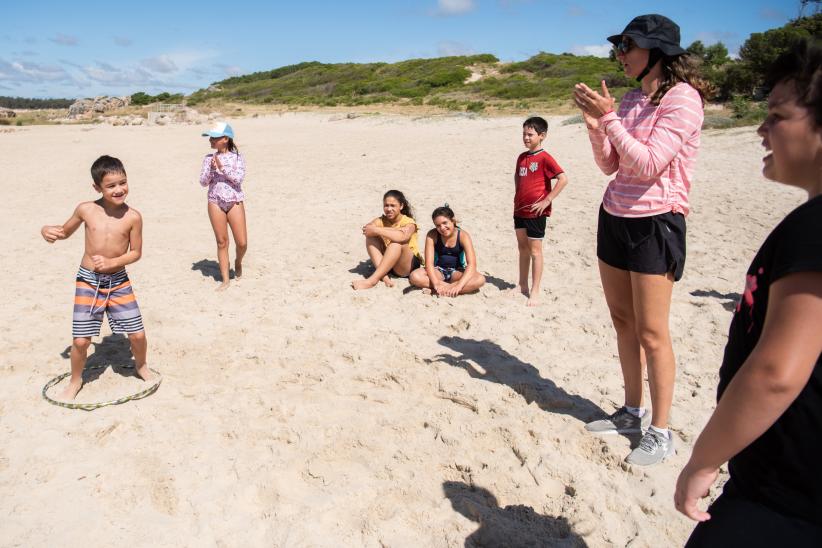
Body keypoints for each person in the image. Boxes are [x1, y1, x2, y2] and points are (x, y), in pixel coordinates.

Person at [676, 40, 822, 546]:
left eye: (778, 116)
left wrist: (704, 459)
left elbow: (777, 373)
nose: (762, 129)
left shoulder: (814, 228)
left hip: (782, 494)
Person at [573, 14, 709, 465]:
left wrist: (609, 118)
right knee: (622, 321)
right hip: (615, 215)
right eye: (619, 46)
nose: (620, 54)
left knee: (652, 332)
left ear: (657, 51)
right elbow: (613, 166)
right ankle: (631, 411)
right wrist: (598, 128)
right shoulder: (632, 99)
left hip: (657, 222)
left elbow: (649, 164)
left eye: (628, 46)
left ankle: (661, 430)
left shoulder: (683, 101)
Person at [40, 155, 153, 400]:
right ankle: (75, 380)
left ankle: (141, 366)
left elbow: (136, 253)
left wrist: (113, 262)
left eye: (122, 182)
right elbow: (63, 232)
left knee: (138, 335)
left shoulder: (133, 216)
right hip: (88, 281)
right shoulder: (86, 209)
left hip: (119, 281)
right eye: (111, 185)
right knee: (81, 342)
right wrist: (46, 231)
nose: (119, 189)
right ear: (97, 187)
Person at [511, 116, 568, 307]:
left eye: (530, 134)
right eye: (524, 134)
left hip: (536, 212)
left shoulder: (545, 157)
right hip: (519, 209)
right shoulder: (521, 157)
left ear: (542, 136)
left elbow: (563, 179)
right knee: (522, 247)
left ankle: (535, 290)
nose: (526, 138)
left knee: (535, 251)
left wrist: (547, 200)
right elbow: (517, 178)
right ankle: (522, 285)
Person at [199, 121, 247, 291]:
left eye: (214, 137)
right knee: (222, 242)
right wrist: (212, 170)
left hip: (234, 201)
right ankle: (225, 280)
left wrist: (222, 169)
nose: (210, 140)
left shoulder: (237, 158)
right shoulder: (208, 158)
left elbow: (238, 179)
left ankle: (238, 262)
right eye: (210, 137)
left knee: (241, 242)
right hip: (215, 201)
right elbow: (203, 183)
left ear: (225, 139)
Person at [409, 205, 486, 296]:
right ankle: (447, 289)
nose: (442, 227)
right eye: (438, 225)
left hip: (456, 271)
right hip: (437, 270)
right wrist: (436, 283)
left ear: (453, 221)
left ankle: (439, 290)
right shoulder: (432, 235)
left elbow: (472, 264)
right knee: (414, 276)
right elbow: (429, 264)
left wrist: (459, 285)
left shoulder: (463, 236)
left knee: (480, 280)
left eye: (445, 223)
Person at [352, 190, 422, 290]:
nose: (389, 209)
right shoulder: (381, 220)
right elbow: (367, 230)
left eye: (393, 206)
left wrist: (377, 230)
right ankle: (384, 276)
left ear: (401, 206)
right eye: (386, 205)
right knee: (371, 237)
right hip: (389, 266)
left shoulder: (409, 222)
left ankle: (372, 280)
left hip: (406, 267)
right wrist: (394, 230)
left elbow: (402, 237)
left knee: (396, 243)